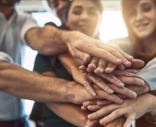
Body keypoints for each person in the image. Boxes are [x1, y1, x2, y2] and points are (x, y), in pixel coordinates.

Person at [0, 0, 134, 126]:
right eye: (77, 11)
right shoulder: (48, 54)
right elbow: (48, 95)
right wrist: (91, 123)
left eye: (93, 12)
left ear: (101, 19)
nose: (85, 17)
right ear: (66, 20)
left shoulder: (115, 54)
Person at [84, 1, 156, 127]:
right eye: (132, 13)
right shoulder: (125, 57)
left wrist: (153, 104)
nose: (139, 17)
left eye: (146, 9)